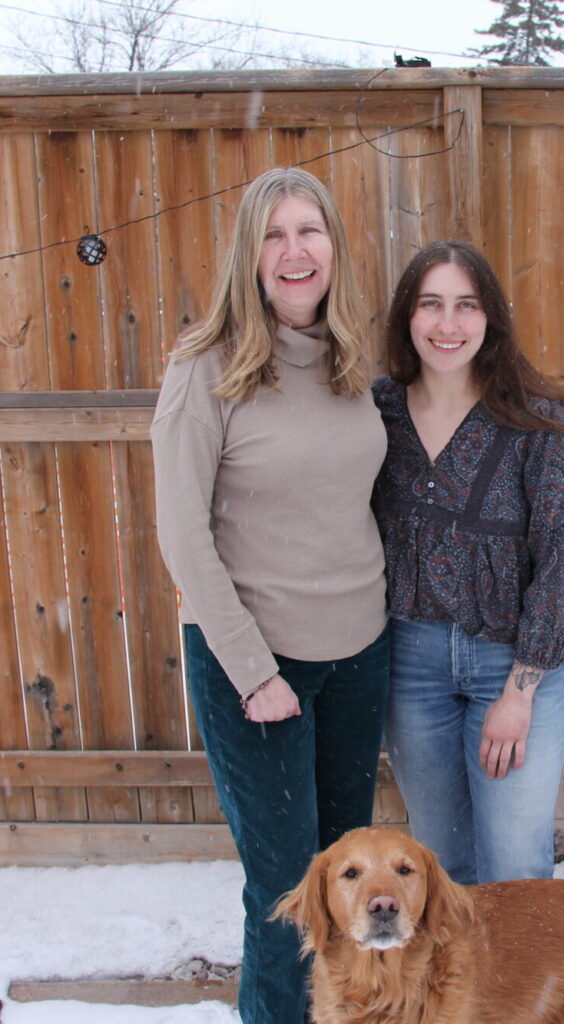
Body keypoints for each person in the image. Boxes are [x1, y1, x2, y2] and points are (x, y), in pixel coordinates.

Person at [151, 167, 389, 1024]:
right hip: (257, 670)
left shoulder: (351, 361)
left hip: (357, 655)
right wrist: (254, 673)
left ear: (334, 247)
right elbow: (183, 535)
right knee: (288, 893)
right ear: (249, 256)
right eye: (274, 234)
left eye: (310, 230)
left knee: (345, 883)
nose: (295, 251)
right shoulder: (205, 369)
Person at [372, 240, 564, 886]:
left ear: (490, 315)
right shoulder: (377, 412)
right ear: (408, 316)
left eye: (466, 305)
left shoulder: (535, 418)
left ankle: (520, 964)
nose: (448, 324)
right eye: (431, 304)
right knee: (441, 867)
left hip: (512, 664)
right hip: (412, 667)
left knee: (516, 869)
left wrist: (520, 691)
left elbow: (563, 561)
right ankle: (456, 963)